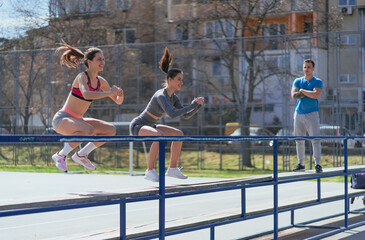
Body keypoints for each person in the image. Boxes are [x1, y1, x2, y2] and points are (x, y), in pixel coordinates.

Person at [130, 47, 204, 182]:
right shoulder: (161, 95)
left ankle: (172, 169)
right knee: (159, 136)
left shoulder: (173, 97)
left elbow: (185, 115)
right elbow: (172, 114)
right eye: (179, 79)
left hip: (152, 125)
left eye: (182, 80)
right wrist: (193, 104)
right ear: (170, 80)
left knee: (179, 135)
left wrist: (197, 106)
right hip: (138, 125)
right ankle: (150, 171)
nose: (181, 82)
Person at [52, 41, 124, 173]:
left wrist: (120, 94)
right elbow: (86, 94)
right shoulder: (82, 77)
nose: (102, 62)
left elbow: (117, 101)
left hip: (78, 121)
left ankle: (81, 155)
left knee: (110, 130)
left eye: (103, 59)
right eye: (99, 59)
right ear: (89, 62)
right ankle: (60, 155)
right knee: (88, 130)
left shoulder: (101, 81)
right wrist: (109, 93)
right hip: (62, 120)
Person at [291, 59, 323, 173]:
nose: (306, 69)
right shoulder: (298, 80)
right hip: (299, 113)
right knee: (299, 140)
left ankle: (317, 164)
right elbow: (294, 95)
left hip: (312, 114)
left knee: (315, 139)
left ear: (313, 68)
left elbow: (316, 95)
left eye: (309, 67)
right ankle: (301, 164)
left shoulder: (317, 81)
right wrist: (306, 93)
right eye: (305, 67)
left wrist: (303, 91)